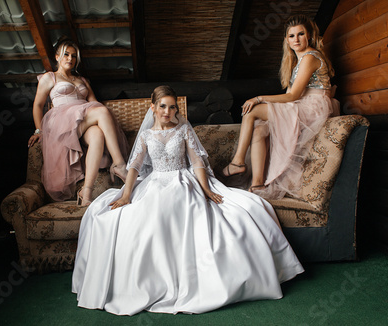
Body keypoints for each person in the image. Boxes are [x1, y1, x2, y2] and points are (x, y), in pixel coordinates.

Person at [72, 85, 304, 315]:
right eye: (163, 106)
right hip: (155, 182)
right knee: (126, 216)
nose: (167, 111)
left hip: (182, 180)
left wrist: (206, 189)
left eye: (172, 107)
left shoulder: (182, 130)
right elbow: (134, 166)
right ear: (153, 107)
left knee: (237, 209)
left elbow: (196, 162)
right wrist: (125, 194)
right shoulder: (145, 135)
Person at [221, 15, 339, 199]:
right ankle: (257, 185)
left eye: (301, 34)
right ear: (286, 40)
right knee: (259, 130)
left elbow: (293, 95)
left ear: (309, 36)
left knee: (252, 110)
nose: (296, 39)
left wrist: (259, 98)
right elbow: (288, 97)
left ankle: (237, 162)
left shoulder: (310, 57)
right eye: (292, 36)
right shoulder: (296, 61)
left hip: (312, 107)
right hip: (300, 104)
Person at [28, 37, 129, 205]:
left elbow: (93, 102)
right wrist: (39, 130)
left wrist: (97, 118)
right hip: (62, 121)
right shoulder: (50, 77)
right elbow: (38, 105)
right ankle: (119, 164)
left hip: (84, 119)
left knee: (97, 134)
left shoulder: (82, 80)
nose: (70, 59)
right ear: (57, 57)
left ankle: (86, 193)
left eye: (74, 56)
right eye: (66, 54)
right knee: (103, 111)